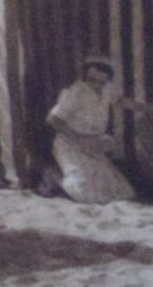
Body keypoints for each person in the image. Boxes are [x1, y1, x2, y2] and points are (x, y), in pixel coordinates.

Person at [45, 57, 138, 204]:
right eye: (92, 80)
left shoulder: (107, 89)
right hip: (70, 144)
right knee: (85, 193)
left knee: (121, 192)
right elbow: (53, 119)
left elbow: (118, 100)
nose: (96, 85)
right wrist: (79, 139)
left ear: (107, 79)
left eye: (101, 81)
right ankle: (53, 175)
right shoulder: (75, 92)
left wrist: (138, 106)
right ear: (85, 76)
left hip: (94, 146)